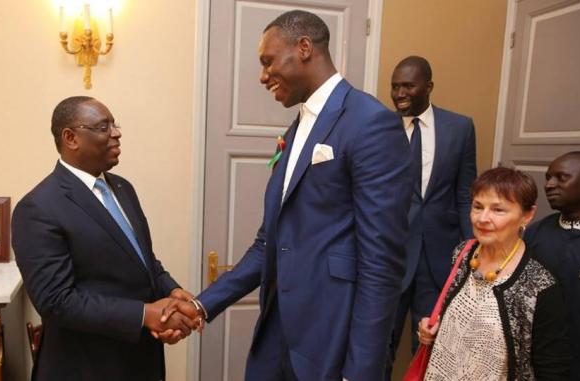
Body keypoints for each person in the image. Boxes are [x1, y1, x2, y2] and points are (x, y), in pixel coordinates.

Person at [166, 10, 412, 381]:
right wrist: (202, 306)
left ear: (304, 48)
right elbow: (270, 242)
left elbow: (382, 264)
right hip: (276, 340)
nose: (263, 76)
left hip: (331, 344)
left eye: (268, 62)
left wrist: (361, 371)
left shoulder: (370, 122)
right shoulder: (297, 130)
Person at [12, 96, 199, 381]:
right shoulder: (39, 207)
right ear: (71, 137)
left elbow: (142, 258)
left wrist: (171, 291)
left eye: (114, 124)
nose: (116, 133)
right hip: (85, 366)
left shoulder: (123, 188)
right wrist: (145, 314)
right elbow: (56, 301)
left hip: (141, 360)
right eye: (103, 127)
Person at [418, 167, 570, 380]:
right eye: (477, 207)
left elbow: (552, 367)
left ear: (527, 215)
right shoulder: (463, 253)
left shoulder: (540, 283)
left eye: (498, 210)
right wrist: (436, 327)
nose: (483, 218)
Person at [386, 56, 477, 378]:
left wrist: (471, 249)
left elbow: (465, 192)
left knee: (428, 345)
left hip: (438, 257)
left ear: (429, 87)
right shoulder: (380, 127)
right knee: (380, 342)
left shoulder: (460, 127)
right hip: (390, 254)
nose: (399, 93)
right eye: (395, 86)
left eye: (408, 85)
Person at [524, 151, 580, 380]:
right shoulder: (535, 233)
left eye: (561, 178)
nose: (549, 185)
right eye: (548, 178)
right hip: (538, 365)